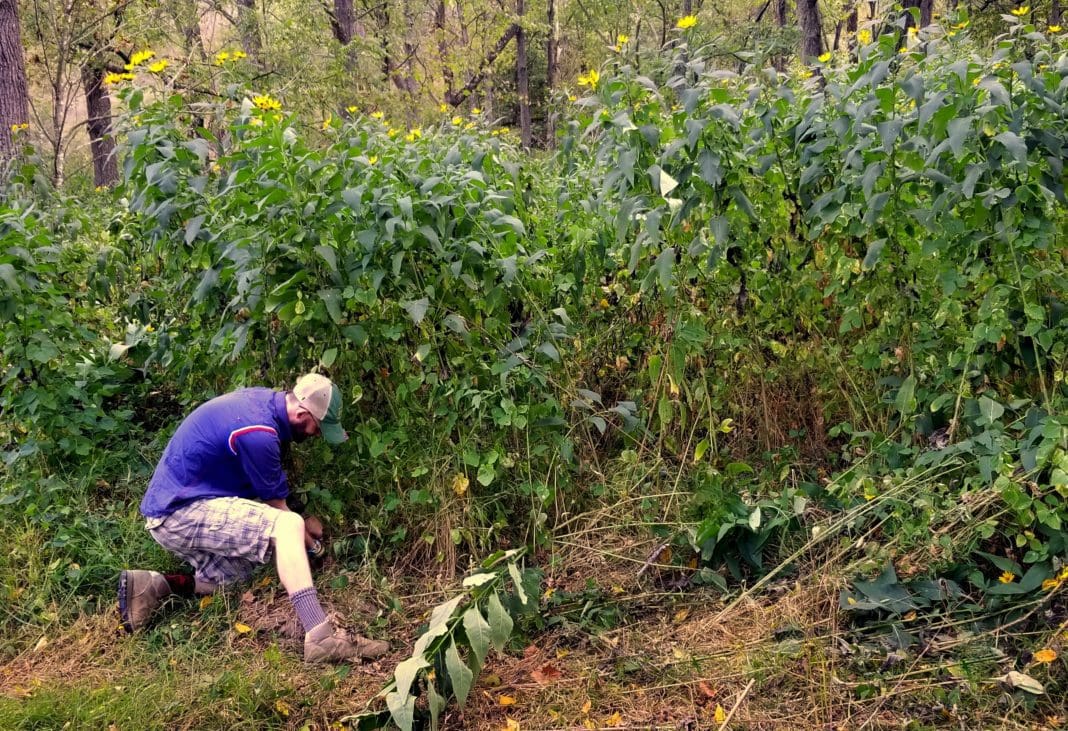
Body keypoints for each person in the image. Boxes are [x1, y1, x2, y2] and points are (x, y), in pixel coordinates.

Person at [118, 373, 388, 664]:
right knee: (287, 527)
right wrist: (314, 548)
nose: (317, 435)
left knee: (237, 580)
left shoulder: (265, 406)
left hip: (180, 509)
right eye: (319, 428)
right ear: (301, 413)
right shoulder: (258, 433)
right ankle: (321, 637)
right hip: (178, 512)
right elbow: (280, 514)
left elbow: (272, 491)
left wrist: (303, 517)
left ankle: (156, 585)